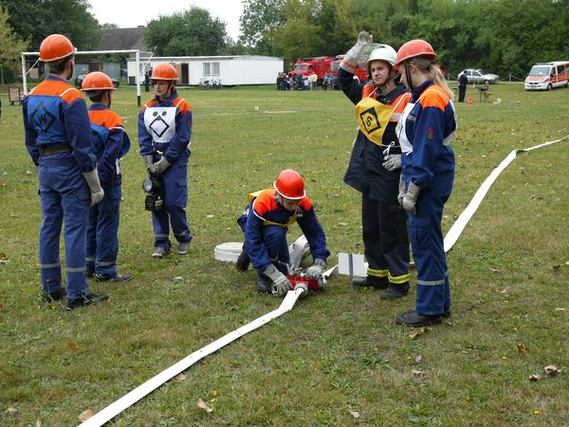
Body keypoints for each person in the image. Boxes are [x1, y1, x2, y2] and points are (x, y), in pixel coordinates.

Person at [23, 34, 108, 310]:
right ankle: (77, 293)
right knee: (74, 229)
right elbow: (83, 149)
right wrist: (95, 185)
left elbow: (30, 140)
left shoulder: (31, 97)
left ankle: (50, 287)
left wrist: (43, 164)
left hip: (46, 167)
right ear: (69, 62)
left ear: (48, 64)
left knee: (49, 226)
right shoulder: (72, 98)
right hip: (70, 169)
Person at [338, 32, 412, 300]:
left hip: (390, 172)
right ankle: (377, 274)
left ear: (393, 71)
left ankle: (399, 281)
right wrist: (358, 48)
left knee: (391, 225)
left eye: (380, 68)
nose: (375, 73)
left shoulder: (407, 99)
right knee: (370, 224)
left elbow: (417, 137)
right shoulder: (368, 92)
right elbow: (343, 78)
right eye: (372, 68)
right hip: (367, 168)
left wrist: (405, 160)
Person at [394, 39, 457, 326]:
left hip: (427, 182)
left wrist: (413, 188)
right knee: (430, 240)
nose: (398, 78)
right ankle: (440, 303)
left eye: (399, 71)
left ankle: (430, 309)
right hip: (423, 176)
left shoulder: (431, 99)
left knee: (423, 243)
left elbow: (426, 149)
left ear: (410, 67)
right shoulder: (422, 95)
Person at [239, 169, 330, 295]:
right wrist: (272, 273)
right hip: (252, 222)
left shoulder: (302, 203)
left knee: (284, 267)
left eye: (297, 202)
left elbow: (314, 232)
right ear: (279, 195)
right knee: (274, 234)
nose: (295, 207)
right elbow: (252, 238)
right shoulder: (262, 203)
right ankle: (263, 279)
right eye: (290, 203)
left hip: (278, 224)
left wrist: (320, 260)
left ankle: (251, 253)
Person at [81, 71, 132, 283]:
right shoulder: (112, 119)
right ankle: (106, 269)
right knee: (107, 223)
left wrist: (92, 181)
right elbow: (111, 155)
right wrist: (102, 180)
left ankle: (89, 264)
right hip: (109, 181)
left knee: (90, 222)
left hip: (86, 179)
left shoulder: (81, 117)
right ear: (107, 95)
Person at [138, 63, 193, 258]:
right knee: (156, 201)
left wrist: (165, 162)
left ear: (171, 84)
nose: (158, 87)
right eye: (155, 83)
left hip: (175, 160)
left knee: (173, 202)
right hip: (154, 158)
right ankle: (161, 243)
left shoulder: (182, 107)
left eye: (162, 83)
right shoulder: (146, 108)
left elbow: (182, 138)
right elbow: (144, 137)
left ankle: (183, 237)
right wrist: (149, 163)